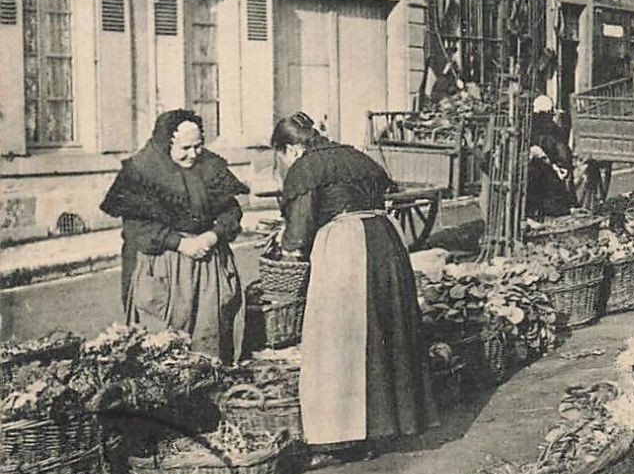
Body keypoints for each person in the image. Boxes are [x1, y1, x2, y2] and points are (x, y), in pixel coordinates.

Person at [270, 113, 433, 454]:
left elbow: (298, 232)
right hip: (386, 241)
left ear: (290, 149)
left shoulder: (306, 168)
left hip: (346, 249)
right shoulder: (356, 156)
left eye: (281, 156)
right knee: (385, 334)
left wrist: (285, 244)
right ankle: (389, 425)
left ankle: (345, 434)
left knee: (342, 340)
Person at [100, 109, 248, 362]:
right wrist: (180, 244)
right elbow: (136, 227)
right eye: (185, 148)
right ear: (165, 143)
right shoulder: (141, 170)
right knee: (162, 343)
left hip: (207, 262)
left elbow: (231, 210)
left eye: (198, 146)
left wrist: (212, 236)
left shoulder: (209, 165)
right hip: (162, 264)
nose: (194, 154)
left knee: (209, 337)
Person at [525, 94, 576, 221]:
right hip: (547, 176)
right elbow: (564, 157)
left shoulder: (527, 129)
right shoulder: (554, 132)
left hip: (530, 176)